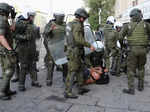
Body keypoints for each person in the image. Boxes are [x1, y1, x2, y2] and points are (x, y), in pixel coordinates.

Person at [64, 8, 95, 99]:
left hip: (74, 50)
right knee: (72, 72)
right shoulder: (77, 25)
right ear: (81, 17)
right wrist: (89, 45)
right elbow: (78, 39)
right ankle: (67, 92)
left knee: (80, 69)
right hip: (75, 51)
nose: (84, 19)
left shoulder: (70, 23)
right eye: (84, 18)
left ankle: (80, 88)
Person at [120, 8, 150, 95]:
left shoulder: (127, 25)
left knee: (131, 69)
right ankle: (140, 86)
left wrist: (123, 46)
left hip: (132, 50)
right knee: (141, 68)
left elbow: (120, 37)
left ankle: (131, 89)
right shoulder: (146, 25)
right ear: (140, 15)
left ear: (132, 16)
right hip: (143, 50)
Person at [14, 11, 41, 92]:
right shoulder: (21, 24)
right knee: (24, 66)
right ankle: (21, 85)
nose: (33, 17)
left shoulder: (34, 25)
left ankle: (34, 81)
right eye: (32, 16)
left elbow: (38, 38)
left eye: (33, 16)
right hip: (23, 49)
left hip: (32, 48)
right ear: (28, 16)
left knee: (33, 65)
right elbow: (15, 35)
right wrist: (25, 37)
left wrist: (37, 50)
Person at [43, 12, 67, 86]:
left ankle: (65, 78)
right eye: (60, 17)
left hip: (62, 48)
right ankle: (49, 79)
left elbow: (67, 34)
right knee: (51, 64)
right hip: (53, 47)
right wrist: (50, 29)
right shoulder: (50, 24)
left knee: (65, 64)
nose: (62, 18)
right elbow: (45, 34)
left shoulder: (65, 24)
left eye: (63, 17)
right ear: (56, 17)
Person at [0, 3, 17, 100]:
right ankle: (2, 92)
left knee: (6, 70)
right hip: (5, 50)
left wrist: (13, 19)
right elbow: (1, 37)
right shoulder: (2, 19)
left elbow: (12, 29)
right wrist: (9, 49)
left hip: (4, 49)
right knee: (9, 70)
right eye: (9, 11)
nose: (10, 12)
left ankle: (7, 90)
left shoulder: (4, 19)